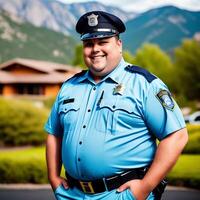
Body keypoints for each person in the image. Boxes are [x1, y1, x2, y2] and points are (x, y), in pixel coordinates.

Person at [45, 11, 188, 200]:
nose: (95, 49)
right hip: (71, 194)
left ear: (119, 45)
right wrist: (53, 178)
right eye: (89, 44)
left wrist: (144, 187)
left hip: (122, 195)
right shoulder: (69, 86)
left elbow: (177, 136)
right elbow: (54, 133)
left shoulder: (144, 84)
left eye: (103, 42)